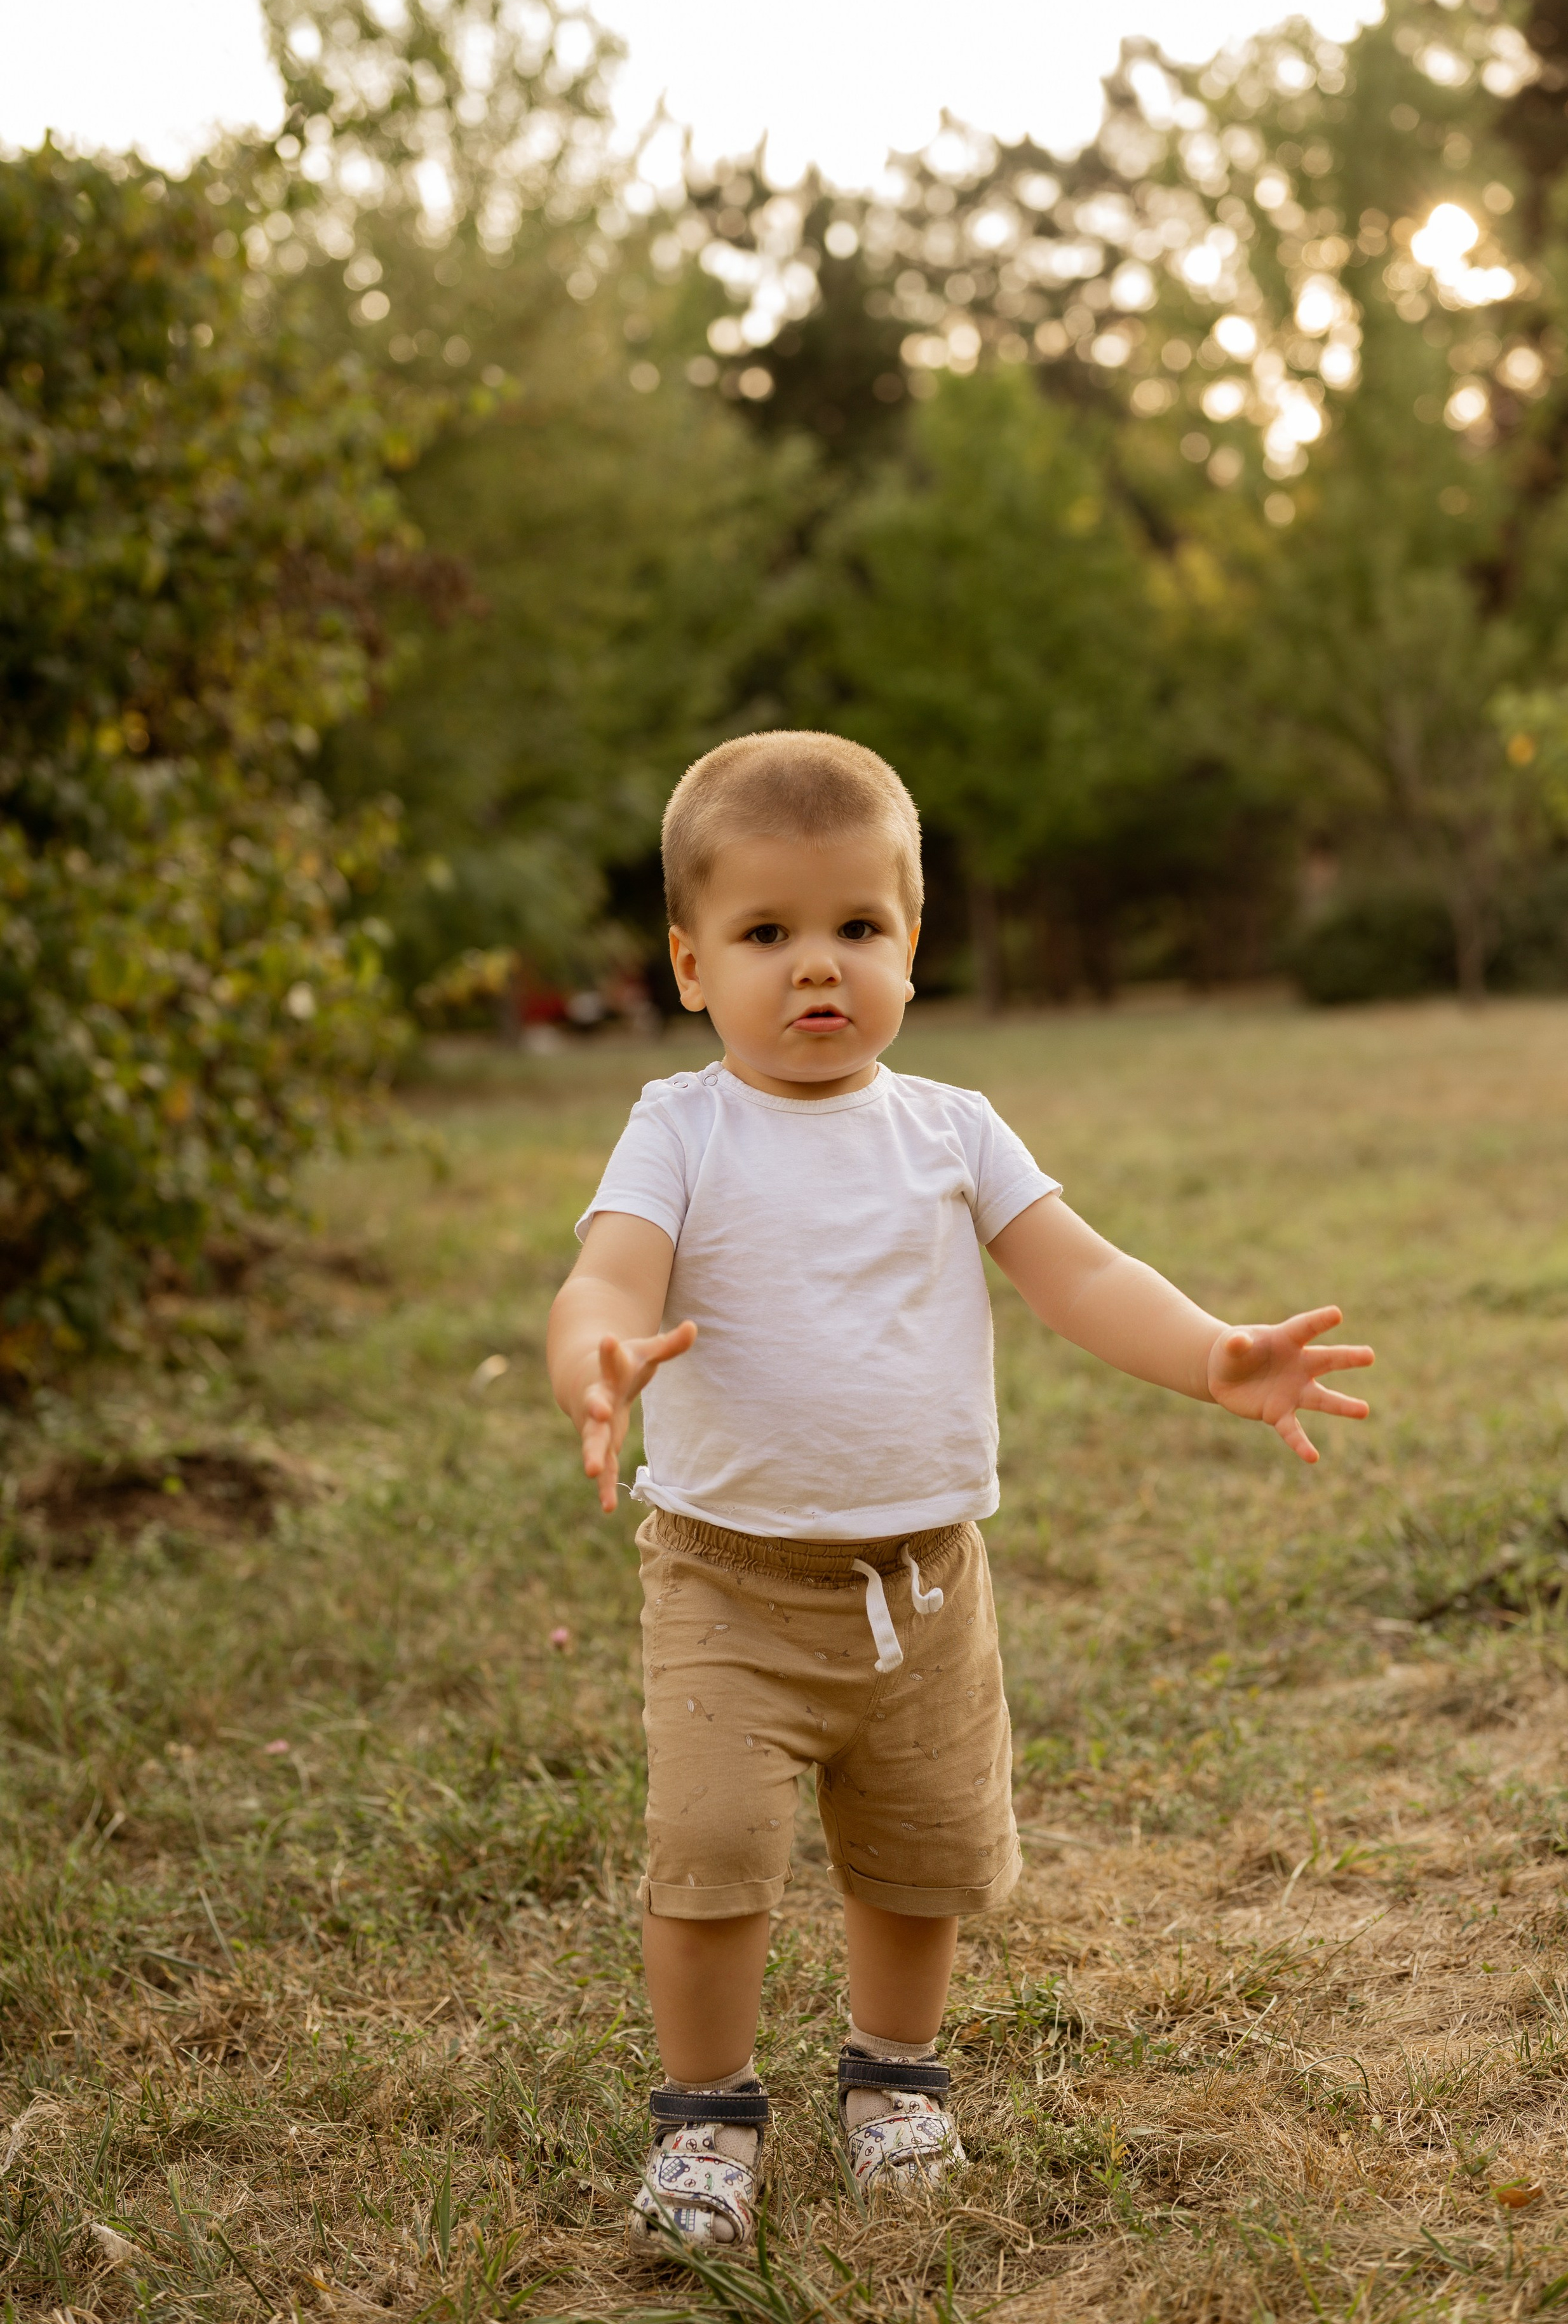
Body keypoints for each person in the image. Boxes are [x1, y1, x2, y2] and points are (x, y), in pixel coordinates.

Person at [546, 730, 1373, 2251]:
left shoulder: (953, 1128)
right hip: (727, 1578)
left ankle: (893, 2078)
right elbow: (610, 1267)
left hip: (926, 1582)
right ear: (686, 962)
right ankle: (706, 2114)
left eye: (857, 928)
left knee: (914, 1853)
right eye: (766, 933)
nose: (818, 968)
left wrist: (1214, 1354)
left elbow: (1080, 1271)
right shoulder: (683, 1123)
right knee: (713, 1852)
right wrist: (594, 1353)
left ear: (911, 948)